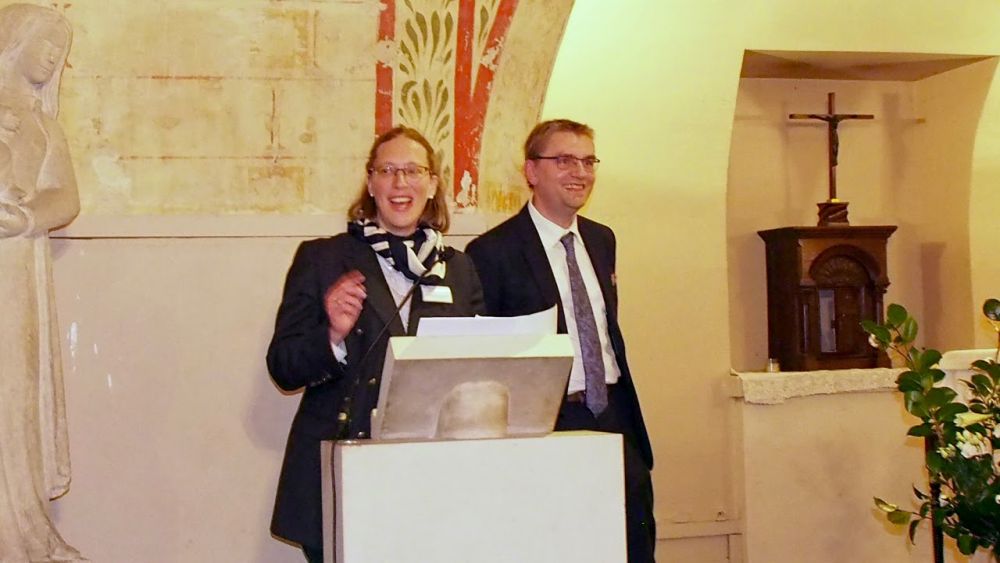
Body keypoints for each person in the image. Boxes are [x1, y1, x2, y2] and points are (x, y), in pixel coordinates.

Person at [267, 126, 485, 563]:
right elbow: (284, 366)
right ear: (370, 184)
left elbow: (475, 370)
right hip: (344, 471)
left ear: (433, 184)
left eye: (413, 171)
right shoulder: (323, 258)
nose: (400, 183)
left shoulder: (459, 269)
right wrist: (332, 334)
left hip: (431, 478)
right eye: (387, 170)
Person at [465, 119, 656, 562]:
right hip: (547, 422)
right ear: (531, 171)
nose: (580, 172)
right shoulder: (491, 252)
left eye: (588, 161)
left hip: (615, 413)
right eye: (565, 160)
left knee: (633, 541)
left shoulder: (602, 239)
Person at [0, 4, 84, 561]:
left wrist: (27, 218)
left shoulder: (44, 126)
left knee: (16, 397)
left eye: (60, 47)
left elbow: (66, 197)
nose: (53, 55)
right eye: (45, 41)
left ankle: (19, 527)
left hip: (16, 273)